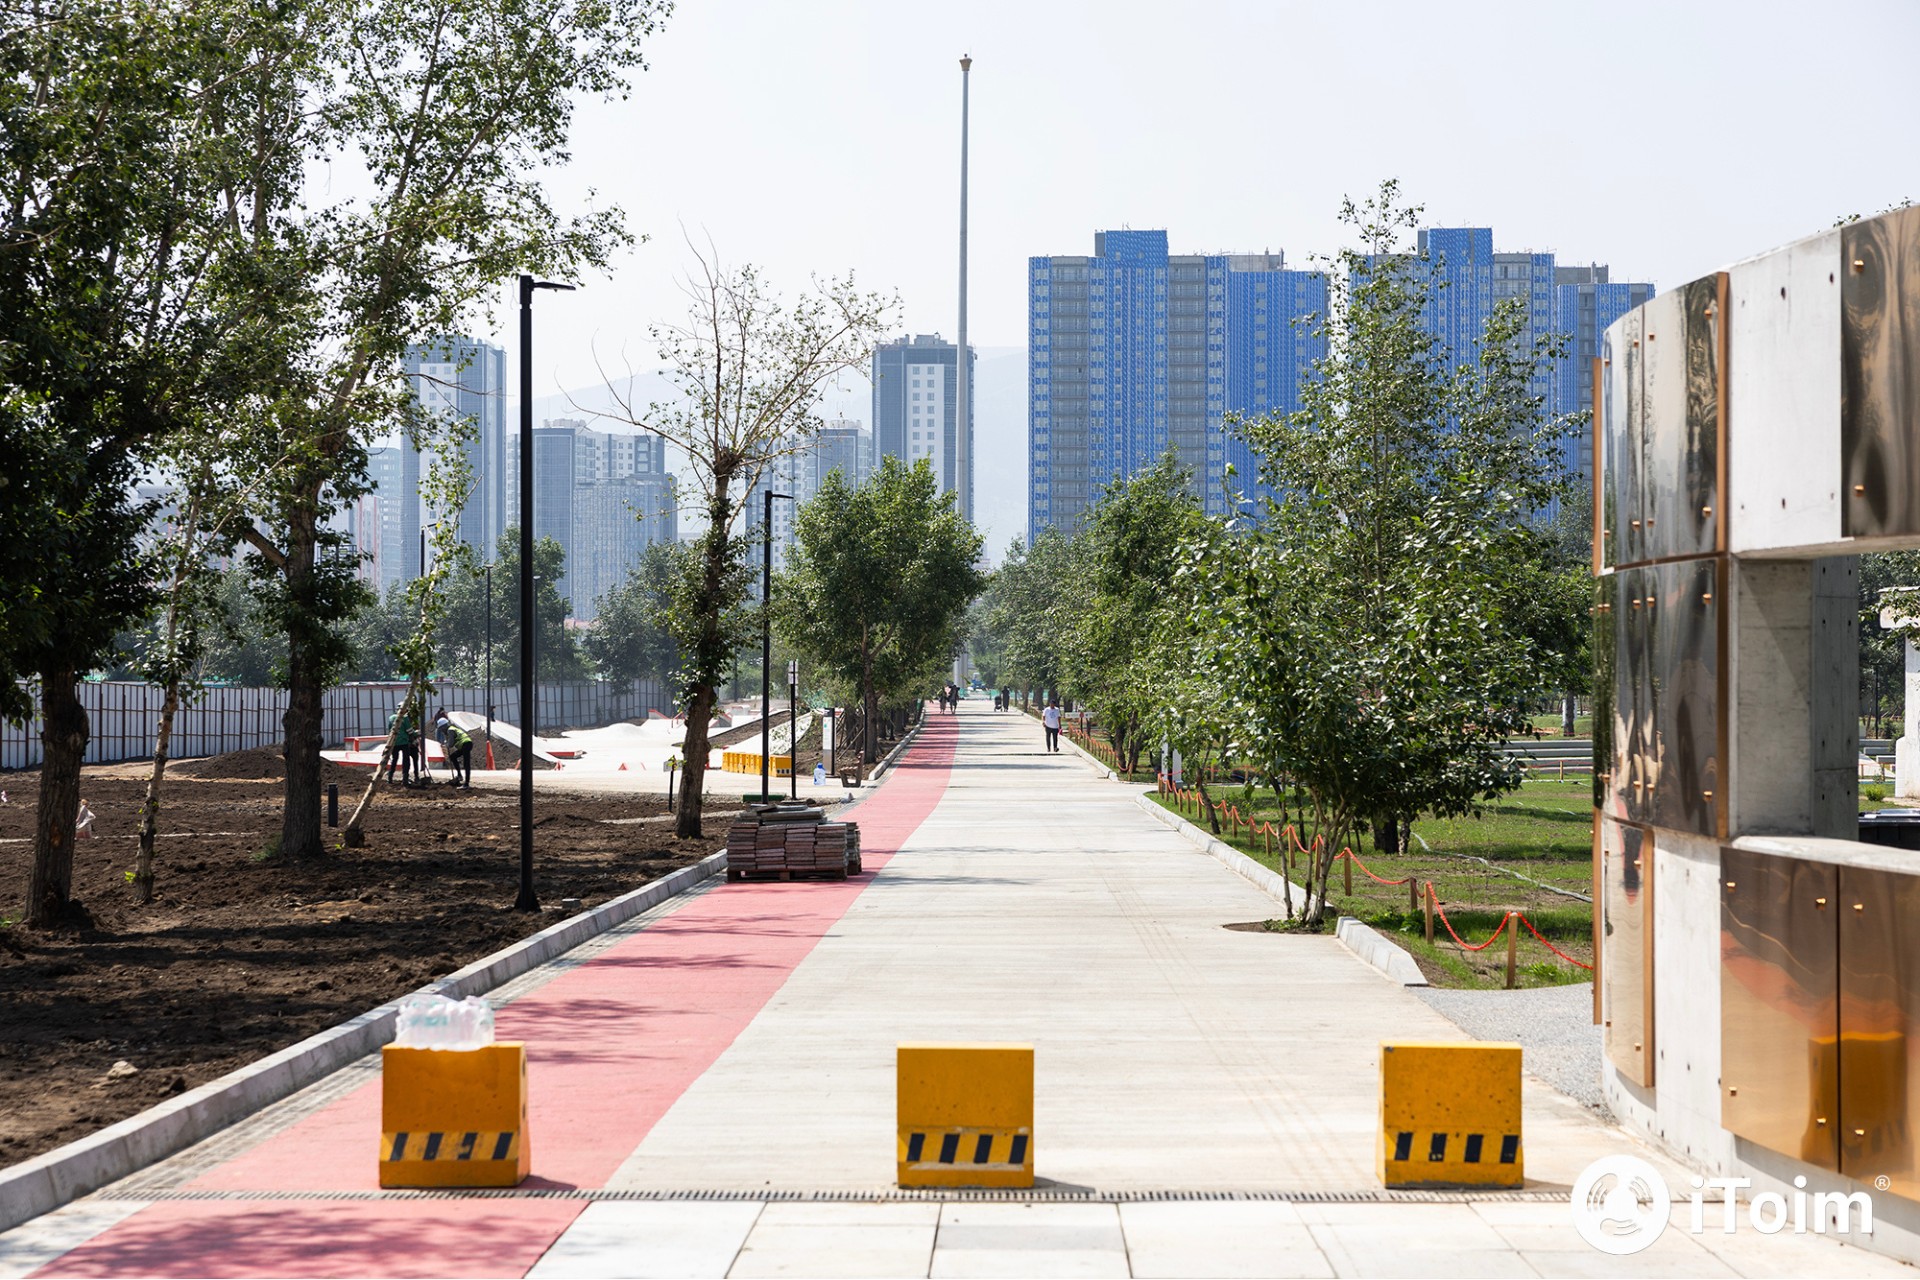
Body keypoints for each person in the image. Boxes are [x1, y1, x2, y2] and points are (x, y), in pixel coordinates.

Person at [440, 714, 475, 788]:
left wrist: (446, 744)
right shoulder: (452, 729)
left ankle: (466, 783)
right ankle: (459, 775)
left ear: (444, 727)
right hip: (465, 744)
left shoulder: (450, 730)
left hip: (466, 744)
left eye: (441, 729)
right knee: (453, 757)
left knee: (466, 764)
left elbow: (451, 744)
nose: (442, 731)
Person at [386, 708, 415, 786]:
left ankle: (390, 777)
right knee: (406, 759)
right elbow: (409, 730)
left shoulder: (391, 718)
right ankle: (405, 779)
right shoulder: (404, 718)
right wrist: (413, 738)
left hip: (394, 742)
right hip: (404, 741)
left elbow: (389, 729)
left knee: (394, 759)